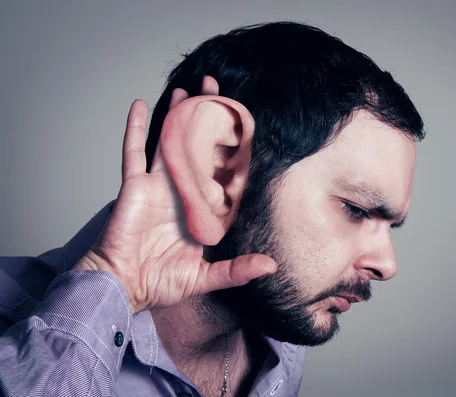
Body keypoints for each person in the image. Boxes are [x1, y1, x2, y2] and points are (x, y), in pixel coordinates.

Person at [0, 22, 424, 397]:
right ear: (219, 169)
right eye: (355, 209)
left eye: (392, 226)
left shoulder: (280, 331)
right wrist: (110, 284)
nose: (387, 264)